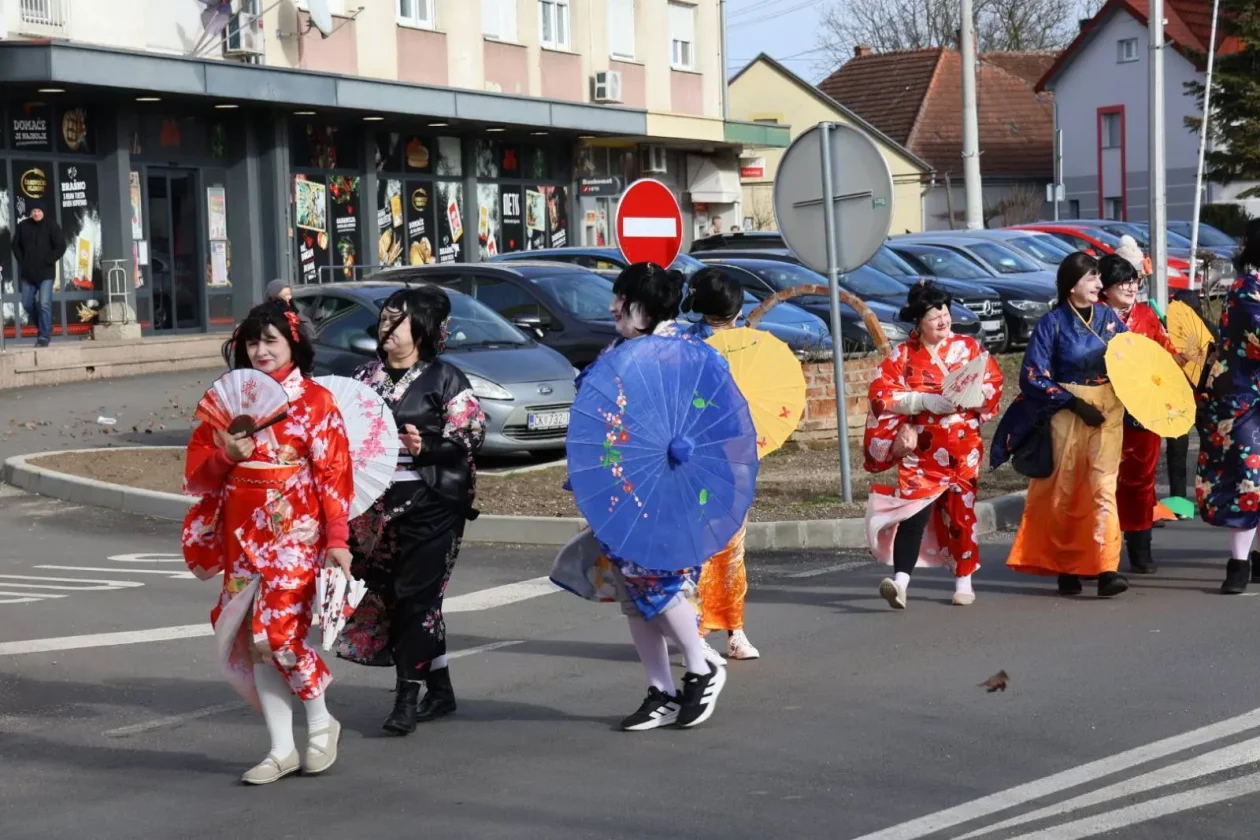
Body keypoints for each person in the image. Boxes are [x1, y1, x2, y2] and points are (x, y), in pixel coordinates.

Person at [182, 299, 354, 785]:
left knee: (278, 634)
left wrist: (337, 537)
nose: (259, 351)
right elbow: (199, 475)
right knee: (252, 640)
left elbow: (334, 473)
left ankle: (321, 721)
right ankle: (280, 748)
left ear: (293, 343)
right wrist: (224, 456)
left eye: (270, 341)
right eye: (252, 342)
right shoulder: (230, 401)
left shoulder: (316, 402)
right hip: (243, 531)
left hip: (294, 531)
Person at [567, 262, 728, 732]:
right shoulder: (621, 348)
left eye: (622, 299)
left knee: (657, 580)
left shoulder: (685, 352)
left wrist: (681, 446)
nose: (613, 307)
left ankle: (701, 668)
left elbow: (710, 418)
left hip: (670, 485)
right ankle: (660, 688)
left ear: (647, 307)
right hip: (621, 486)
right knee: (631, 591)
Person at [335, 286, 486, 734]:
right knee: (398, 598)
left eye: (396, 318)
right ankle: (439, 689)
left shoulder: (445, 378)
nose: (386, 324)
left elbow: (471, 435)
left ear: (419, 328)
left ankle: (406, 698)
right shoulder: (364, 378)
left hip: (431, 504)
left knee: (417, 598)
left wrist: (429, 445)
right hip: (374, 509)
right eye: (384, 316)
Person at [992, 252, 1130, 597]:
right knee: (1064, 492)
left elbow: (1132, 357)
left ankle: (1106, 567)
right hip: (1067, 414)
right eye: (1091, 278)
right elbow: (1033, 375)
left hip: (1108, 412)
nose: (1099, 284)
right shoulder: (1051, 324)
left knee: (1103, 489)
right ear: (1071, 287)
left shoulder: (1110, 319)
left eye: (1099, 277)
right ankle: (1067, 565)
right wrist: (1073, 402)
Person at [863, 281, 1003, 608]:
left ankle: (963, 579)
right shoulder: (902, 356)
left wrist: (971, 397)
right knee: (913, 514)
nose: (942, 320)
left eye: (945, 312)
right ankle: (900, 582)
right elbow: (881, 396)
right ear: (917, 322)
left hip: (961, 447)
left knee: (960, 514)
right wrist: (920, 400)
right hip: (921, 448)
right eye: (933, 315)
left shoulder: (968, 348)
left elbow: (993, 384)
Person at [678, 267, 760, 661]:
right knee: (707, 546)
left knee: (728, 547)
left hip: (733, 458)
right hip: (701, 456)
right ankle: (698, 630)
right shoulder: (689, 348)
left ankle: (732, 628)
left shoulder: (750, 346)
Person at [1097, 254, 1183, 574]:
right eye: (1123, 282)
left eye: (1133, 280)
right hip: (1102, 410)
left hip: (1143, 410)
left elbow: (1165, 354)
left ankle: (1140, 549)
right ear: (1104, 287)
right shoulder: (1092, 318)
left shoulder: (1146, 315)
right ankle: (1101, 551)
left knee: (1141, 481)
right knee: (1103, 482)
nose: (1131, 287)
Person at [1196, 219, 1260, 593]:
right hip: (1243, 399)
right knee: (1247, 480)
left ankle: (1255, 561)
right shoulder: (1244, 293)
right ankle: (1237, 565)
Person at [12, 205, 67, 347]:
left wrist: (49, 260)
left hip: (46, 273)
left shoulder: (51, 225)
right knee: (26, 304)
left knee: (44, 304)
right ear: (31, 213)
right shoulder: (23, 225)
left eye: (39, 211)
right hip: (28, 273)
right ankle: (46, 326)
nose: (36, 214)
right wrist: (22, 261)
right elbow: (15, 245)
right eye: (34, 211)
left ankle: (43, 336)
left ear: (43, 212)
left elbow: (61, 245)